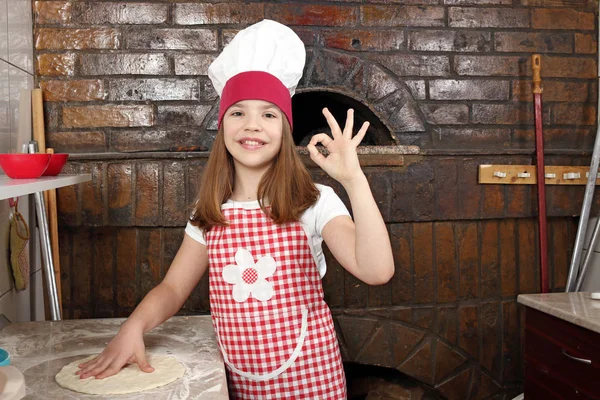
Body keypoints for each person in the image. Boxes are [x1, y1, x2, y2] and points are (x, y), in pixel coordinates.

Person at [76, 19, 394, 399]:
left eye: (269, 114)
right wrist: (133, 327)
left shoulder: (313, 201)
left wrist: (354, 180)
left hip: (313, 380)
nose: (252, 125)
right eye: (238, 112)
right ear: (223, 124)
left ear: (285, 128)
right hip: (238, 383)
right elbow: (174, 288)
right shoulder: (209, 210)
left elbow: (376, 271)